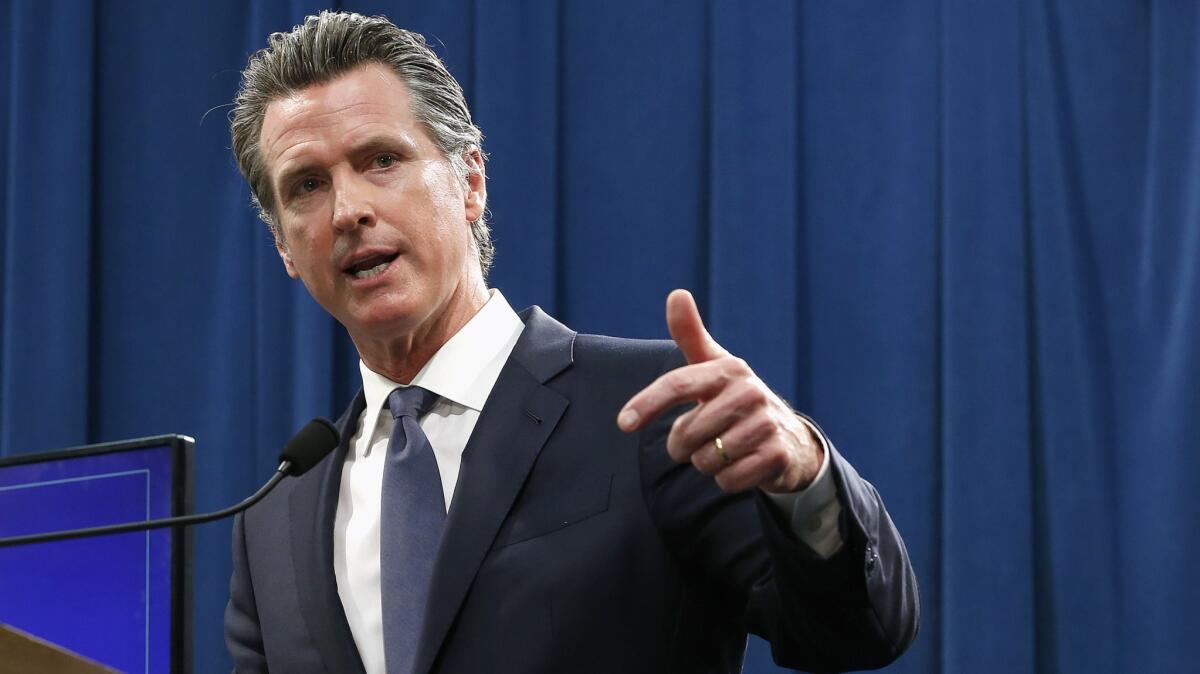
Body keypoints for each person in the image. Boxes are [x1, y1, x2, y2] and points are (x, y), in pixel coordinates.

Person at [223, 11, 918, 674]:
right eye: (307, 186)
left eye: (380, 160)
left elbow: (857, 631)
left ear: (470, 182)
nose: (349, 211)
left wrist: (806, 479)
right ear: (284, 243)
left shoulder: (653, 410)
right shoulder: (273, 523)